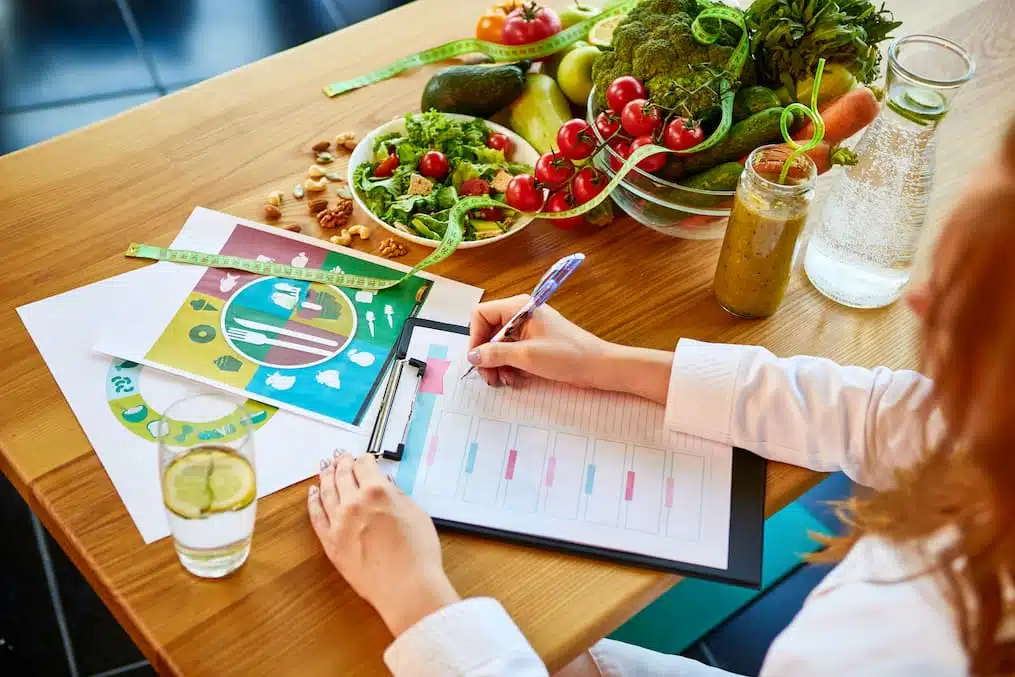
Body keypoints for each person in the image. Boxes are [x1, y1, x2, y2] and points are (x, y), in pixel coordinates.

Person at [306, 119, 1015, 677]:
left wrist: (417, 601)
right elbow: (877, 411)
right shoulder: (985, 441)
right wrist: (609, 362)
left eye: (971, 306)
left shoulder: (924, 649)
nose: (918, 298)